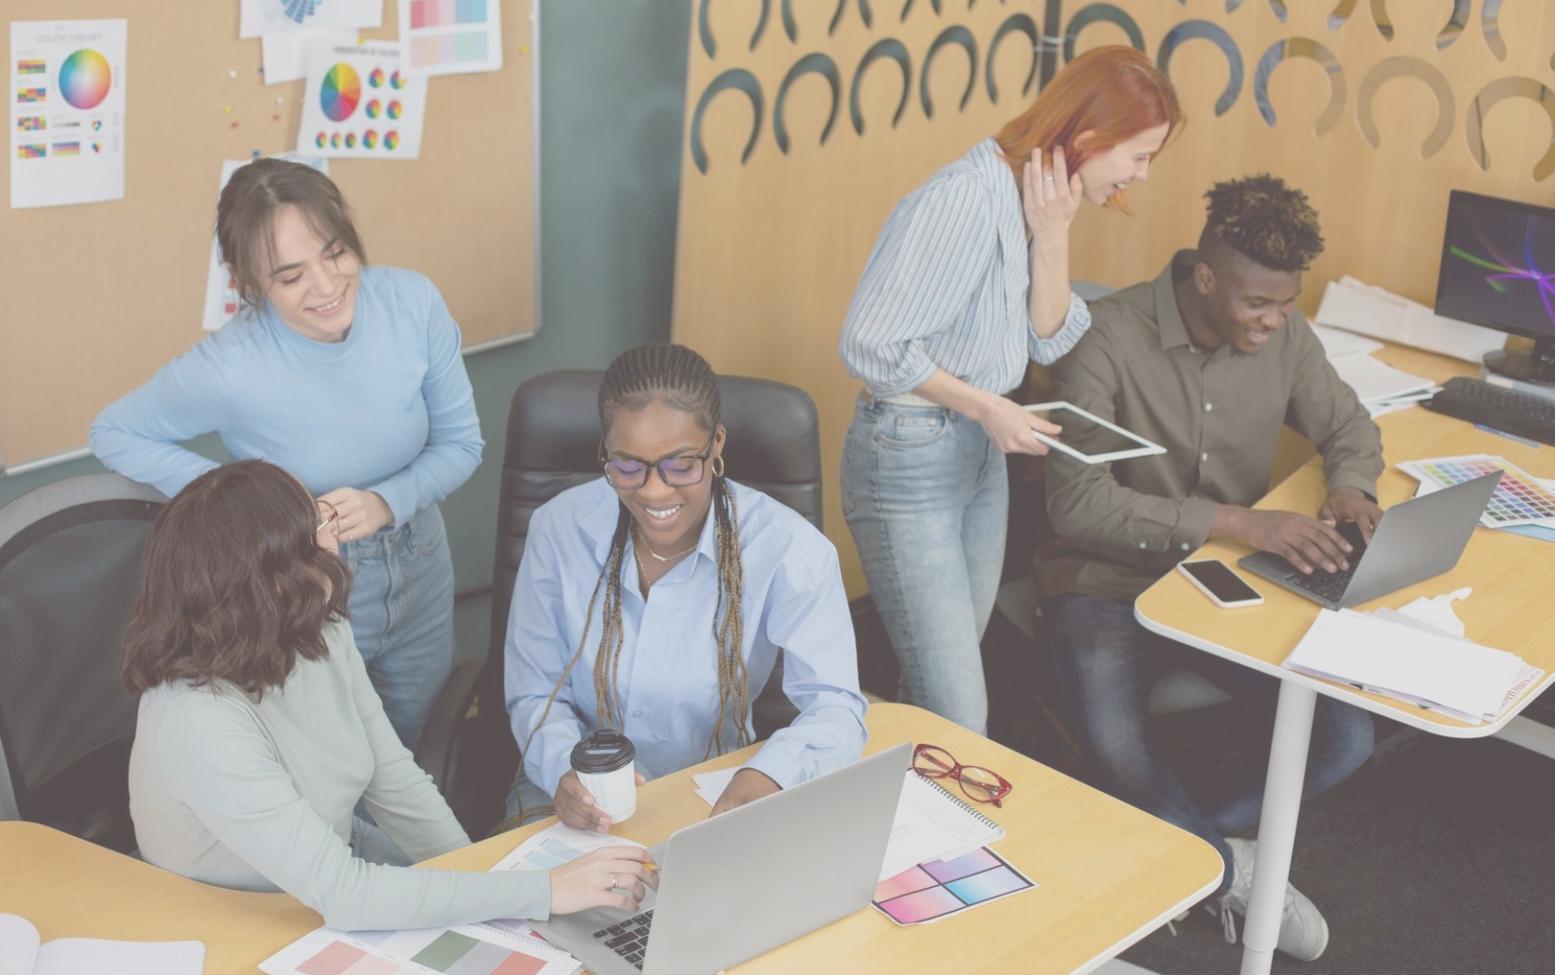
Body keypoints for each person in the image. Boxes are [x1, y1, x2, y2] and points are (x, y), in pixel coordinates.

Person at [1037, 174, 1381, 961]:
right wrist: (1236, 520)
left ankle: (1177, 845)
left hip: (1223, 583)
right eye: (1257, 304)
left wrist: (1350, 488)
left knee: (1344, 734)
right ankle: (1230, 873)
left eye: (1284, 304)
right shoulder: (1103, 338)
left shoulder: (1284, 334)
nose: (1272, 321)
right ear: (1203, 276)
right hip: (1101, 584)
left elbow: (1348, 423)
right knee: (1120, 752)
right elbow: (1076, 505)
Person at [124, 460, 654, 932]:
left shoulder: (316, 627)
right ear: (267, 584)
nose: (335, 544)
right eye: (316, 535)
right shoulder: (196, 718)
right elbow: (346, 894)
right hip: (237, 920)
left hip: (331, 869)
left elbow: (393, 779)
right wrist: (545, 892)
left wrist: (495, 893)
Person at [838, 45, 1184, 735]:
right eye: (1139, 156)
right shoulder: (962, 200)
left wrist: (1053, 236)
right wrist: (983, 404)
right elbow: (868, 344)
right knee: (959, 711)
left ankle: (898, 824)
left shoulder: (1039, 198)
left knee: (940, 681)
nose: (1141, 175)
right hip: (909, 458)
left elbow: (1049, 338)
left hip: (975, 452)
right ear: (1089, 140)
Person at [92, 158, 480, 750]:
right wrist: (253, 497)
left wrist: (385, 502)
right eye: (291, 276)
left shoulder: (412, 302)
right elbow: (115, 431)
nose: (326, 286)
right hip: (308, 581)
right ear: (249, 283)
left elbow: (461, 443)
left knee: (425, 748)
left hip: (421, 557)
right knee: (338, 761)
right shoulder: (229, 367)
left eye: (335, 253)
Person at [505, 343, 867, 830]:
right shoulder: (558, 529)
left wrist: (772, 775)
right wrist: (562, 771)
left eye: (680, 465)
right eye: (627, 466)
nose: (654, 491)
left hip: (714, 794)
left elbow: (836, 705)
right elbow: (534, 692)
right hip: (576, 795)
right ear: (605, 453)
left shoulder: (788, 549)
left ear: (716, 444)